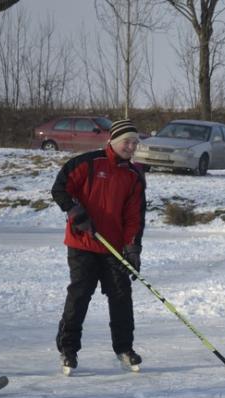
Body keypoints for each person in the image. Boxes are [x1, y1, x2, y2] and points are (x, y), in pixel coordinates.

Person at [51, 119, 146, 376]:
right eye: (127, 141)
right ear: (113, 141)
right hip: (82, 244)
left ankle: (124, 348)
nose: (131, 147)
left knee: (121, 296)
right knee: (80, 294)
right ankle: (68, 349)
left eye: (135, 143)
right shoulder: (87, 163)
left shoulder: (134, 176)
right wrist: (75, 211)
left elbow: (134, 216)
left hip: (113, 248)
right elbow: (60, 189)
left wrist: (132, 247)